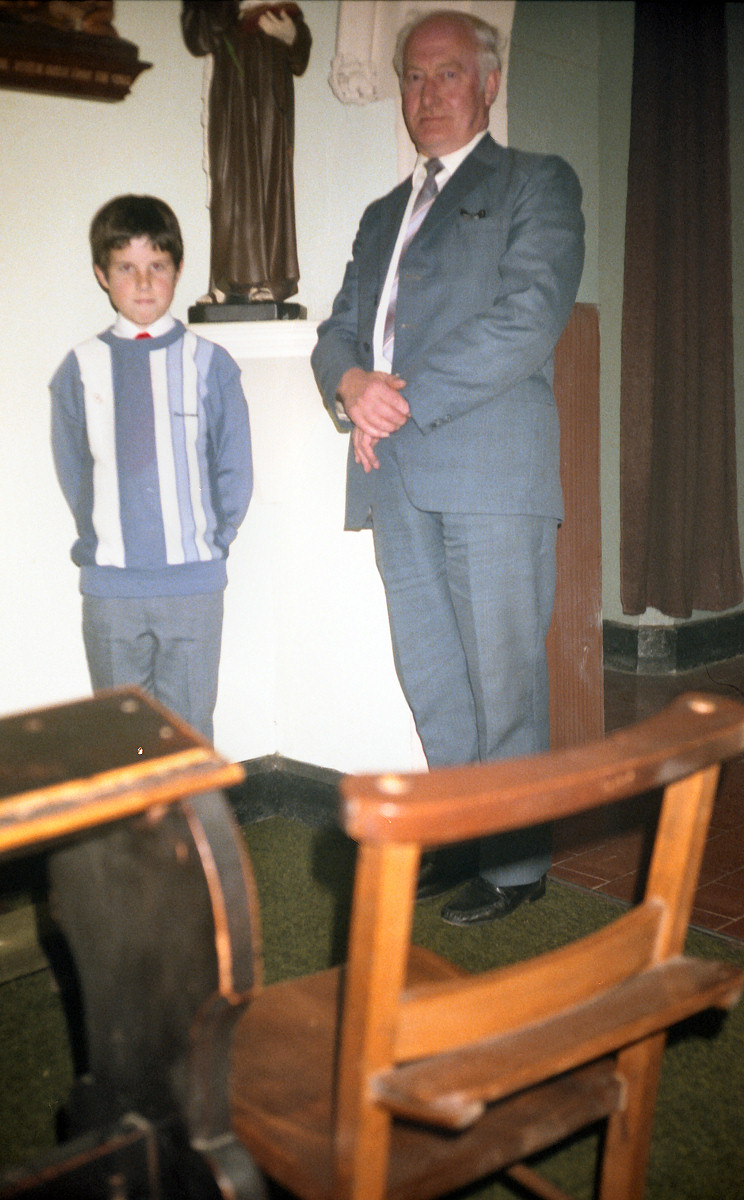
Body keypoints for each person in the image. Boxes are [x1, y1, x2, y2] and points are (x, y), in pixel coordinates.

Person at [311, 11, 584, 925]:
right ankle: (467, 835)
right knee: (431, 672)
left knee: (504, 678)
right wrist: (350, 383)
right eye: (414, 78)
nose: (427, 94)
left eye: (449, 74)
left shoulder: (537, 183)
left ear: (490, 84)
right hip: (393, 473)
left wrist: (399, 398)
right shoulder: (381, 214)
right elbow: (339, 329)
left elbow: (528, 317)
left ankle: (516, 864)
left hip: (490, 470)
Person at [50, 194, 253, 743]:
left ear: (178, 270)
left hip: (192, 587)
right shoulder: (80, 368)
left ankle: (194, 808)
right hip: (112, 589)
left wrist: (213, 542)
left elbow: (234, 469)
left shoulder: (209, 364)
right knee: (123, 737)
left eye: (157, 266)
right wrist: (102, 539)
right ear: (102, 274)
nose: (143, 283)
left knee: (188, 733)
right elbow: (74, 470)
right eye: (126, 268)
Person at [181, 0, 312, 304]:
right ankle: (224, 282)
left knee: (270, 182)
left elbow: (300, 56)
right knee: (228, 186)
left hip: (271, 95)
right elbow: (198, 38)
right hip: (230, 92)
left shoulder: (282, 9)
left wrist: (292, 35)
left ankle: (269, 280)